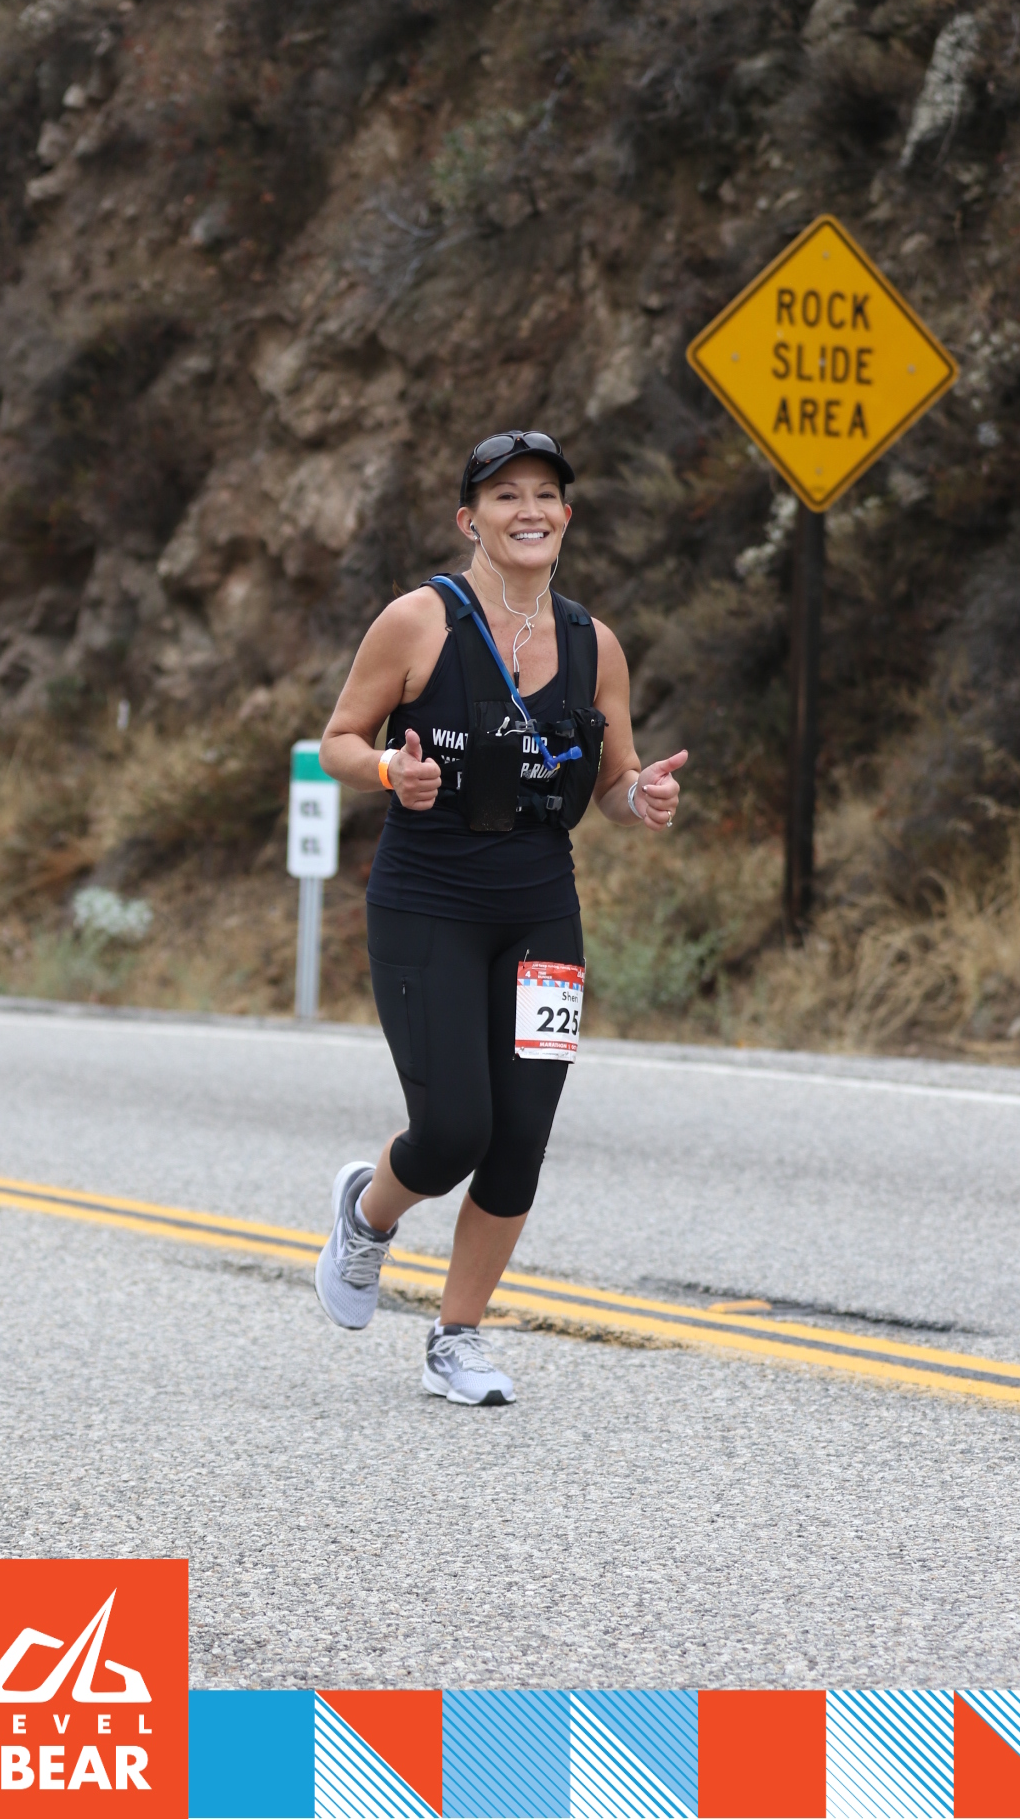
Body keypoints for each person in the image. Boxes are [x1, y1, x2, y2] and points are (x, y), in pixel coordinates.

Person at [315, 430, 687, 1405]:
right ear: (469, 519)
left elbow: (610, 783)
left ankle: (457, 1339)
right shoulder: (418, 621)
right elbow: (337, 740)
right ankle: (367, 1214)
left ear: (566, 516)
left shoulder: (593, 645)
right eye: (506, 495)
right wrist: (389, 768)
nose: (529, 511)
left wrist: (639, 796)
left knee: (519, 1134)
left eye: (546, 495)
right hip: (426, 904)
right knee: (451, 1133)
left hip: (539, 911)